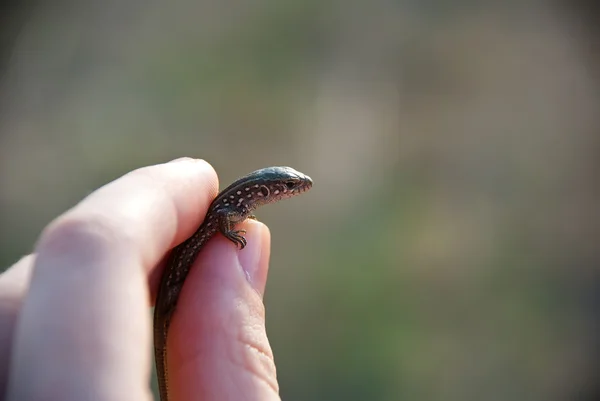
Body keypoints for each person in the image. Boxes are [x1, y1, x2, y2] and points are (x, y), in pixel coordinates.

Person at [0, 158, 280, 401]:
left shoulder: (238, 205)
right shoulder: (232, 208)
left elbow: (222, 215)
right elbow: (221, 216)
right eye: (289, 187)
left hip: (178, 277)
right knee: (174, 312)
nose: (293, 190)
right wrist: (229, 234)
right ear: (267, 190)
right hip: (173, 284)